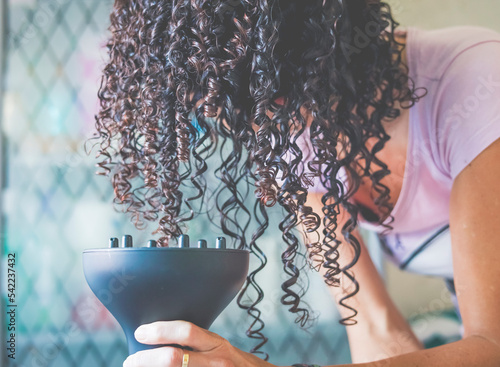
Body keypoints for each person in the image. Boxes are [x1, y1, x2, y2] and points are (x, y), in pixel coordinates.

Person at [94, 0, 500, 366]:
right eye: (234, 105)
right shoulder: (294, 136)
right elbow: (376, 330)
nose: (269, 125)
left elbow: (491, 346)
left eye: (279, 93)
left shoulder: (475, 86)